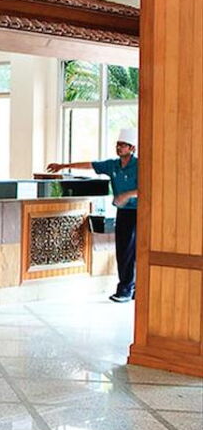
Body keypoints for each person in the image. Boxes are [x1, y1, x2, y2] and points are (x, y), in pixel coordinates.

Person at [47, 128, 139, 302]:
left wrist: (126, 195)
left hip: (138, 211)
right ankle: (130, 288)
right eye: (118, 145)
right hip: (123, 212)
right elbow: (89, 165)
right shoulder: (113, 165)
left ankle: (127, 290)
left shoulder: (139, 165)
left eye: (123, 145)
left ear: (132, 148)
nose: (119, 148)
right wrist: (63, 166)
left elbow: (147, 187)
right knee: (124, 251)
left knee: (131, 251)